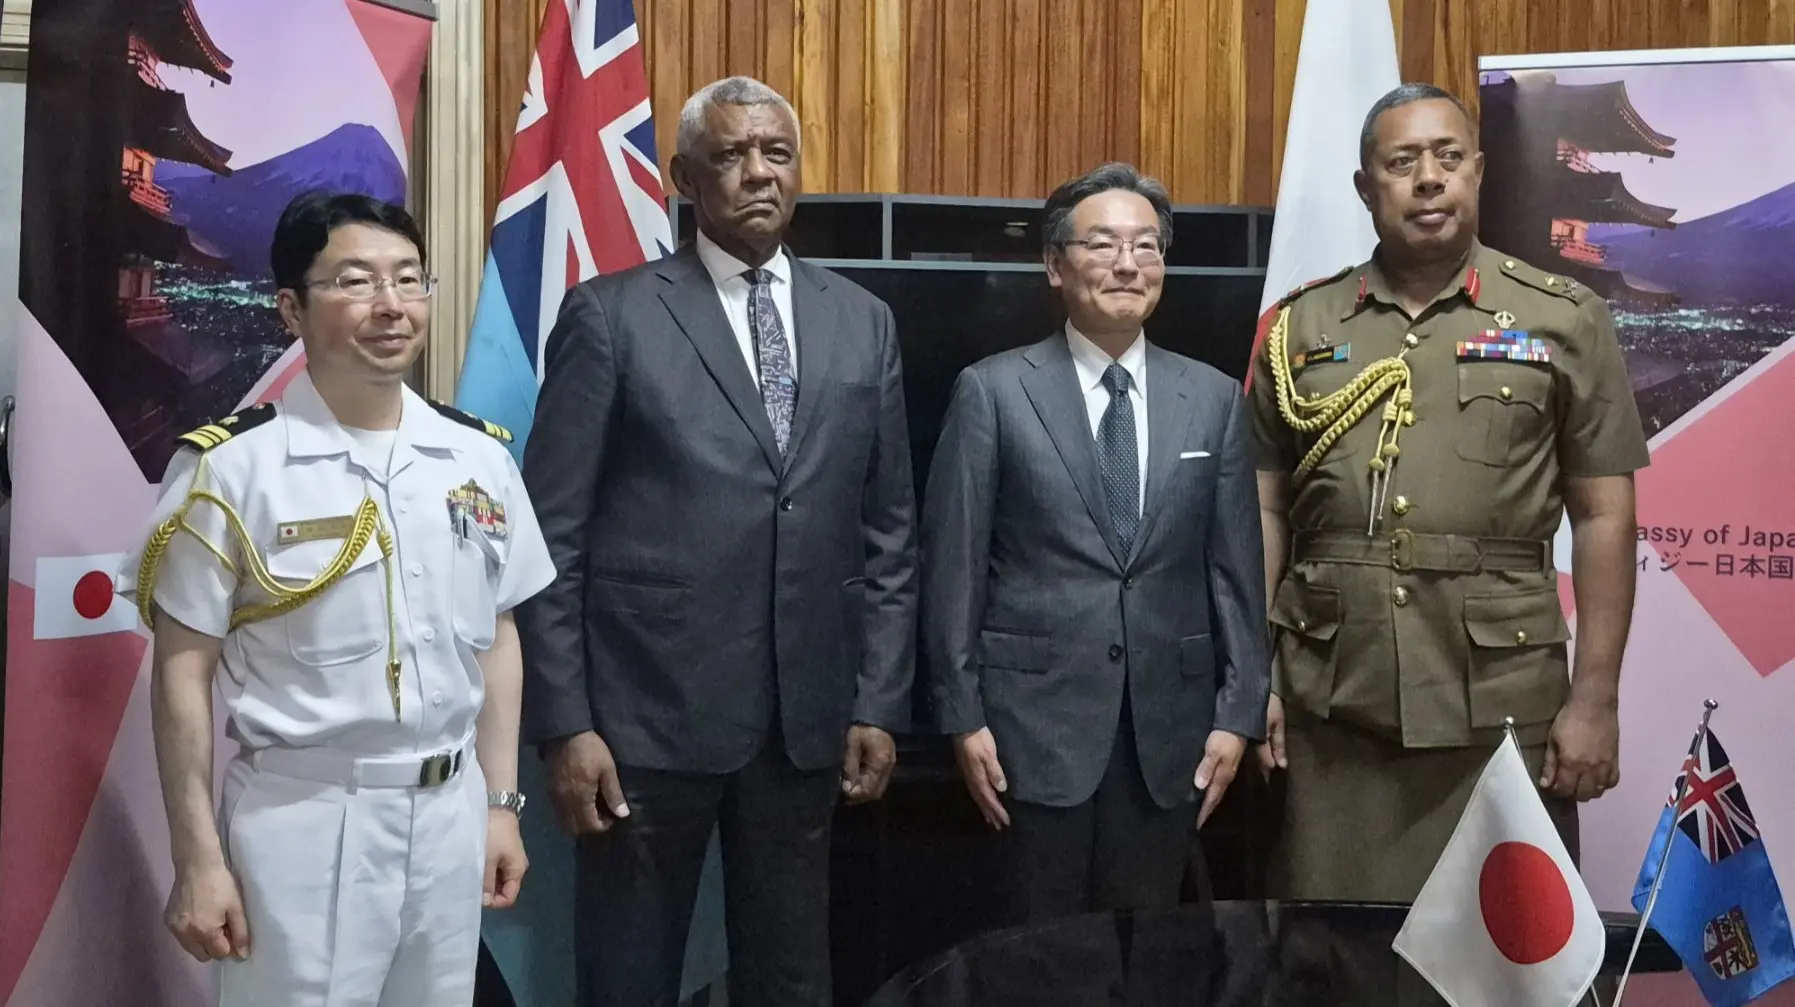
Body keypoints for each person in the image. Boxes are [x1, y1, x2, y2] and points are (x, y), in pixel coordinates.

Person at [515, 75, 919, 1007]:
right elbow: (551, 539)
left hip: (804, 718)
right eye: (731, 155)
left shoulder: (862, 321)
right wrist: (566, 724)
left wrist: (878, 701)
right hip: (643, 719)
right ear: (684, 176)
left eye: (776, 153)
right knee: (629, 975)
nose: (757, 174)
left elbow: (889, 532)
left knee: (791, 976)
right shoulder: (611, 314)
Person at [122, 191, 555, 1005]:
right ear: (292, 307)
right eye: (355, 281)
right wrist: (197, 855)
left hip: (449, 814)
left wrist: (499, 804)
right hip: (303, 820)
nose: (391, 306)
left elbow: (496, 639)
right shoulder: (232, 470)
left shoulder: (476, 459)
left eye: (408, 279)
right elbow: (183, 671)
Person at [1249, 83, 1649, 901]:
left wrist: (1594, 699)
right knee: (1334, 955)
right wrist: (1251, 679)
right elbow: (1261, 510)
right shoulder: (1301, 326)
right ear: (1366, 188)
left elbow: (1605, 515)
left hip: (1500, 704)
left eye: (1446, 157)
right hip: (1332, 701)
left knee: (1499, 955)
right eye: (1400, 163)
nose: (1427, 178)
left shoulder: (1562, 318)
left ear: (1478, 171)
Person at [923, 162, 1270, 924]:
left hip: (1171, 737)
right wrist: (960, 713)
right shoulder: (993, 390)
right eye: (1104, 243)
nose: (1127, 263)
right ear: (1054, 264)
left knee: (1149, 953)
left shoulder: (1211, 398)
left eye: (1147, 247)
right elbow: (954, 566)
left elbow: (1235, 570)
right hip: (1027, 731)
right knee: (1036, 951)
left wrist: (1238, 710)